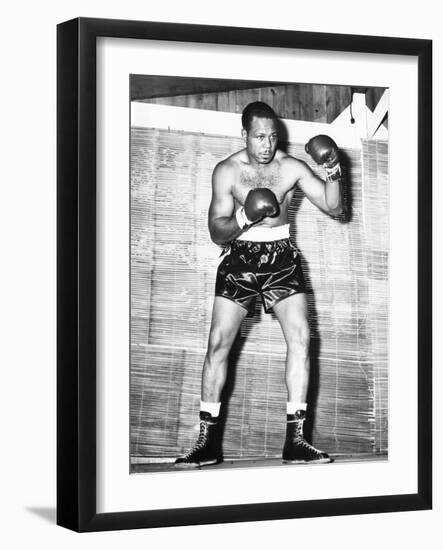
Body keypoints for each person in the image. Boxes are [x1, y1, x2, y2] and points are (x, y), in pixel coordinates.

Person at [175, 101, 343, 468]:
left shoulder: (291, 167)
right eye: (259, 137)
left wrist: (333, 169)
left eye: (273, 137)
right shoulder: (227, 172)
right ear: (245, 135)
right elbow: (216, 233)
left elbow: (334, 207)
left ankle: (296, 440)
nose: (267, 145)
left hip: (282, 257)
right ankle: (207, 442)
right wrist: (244, 215)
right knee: (218, 342)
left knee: (301, 337)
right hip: (240, 258)